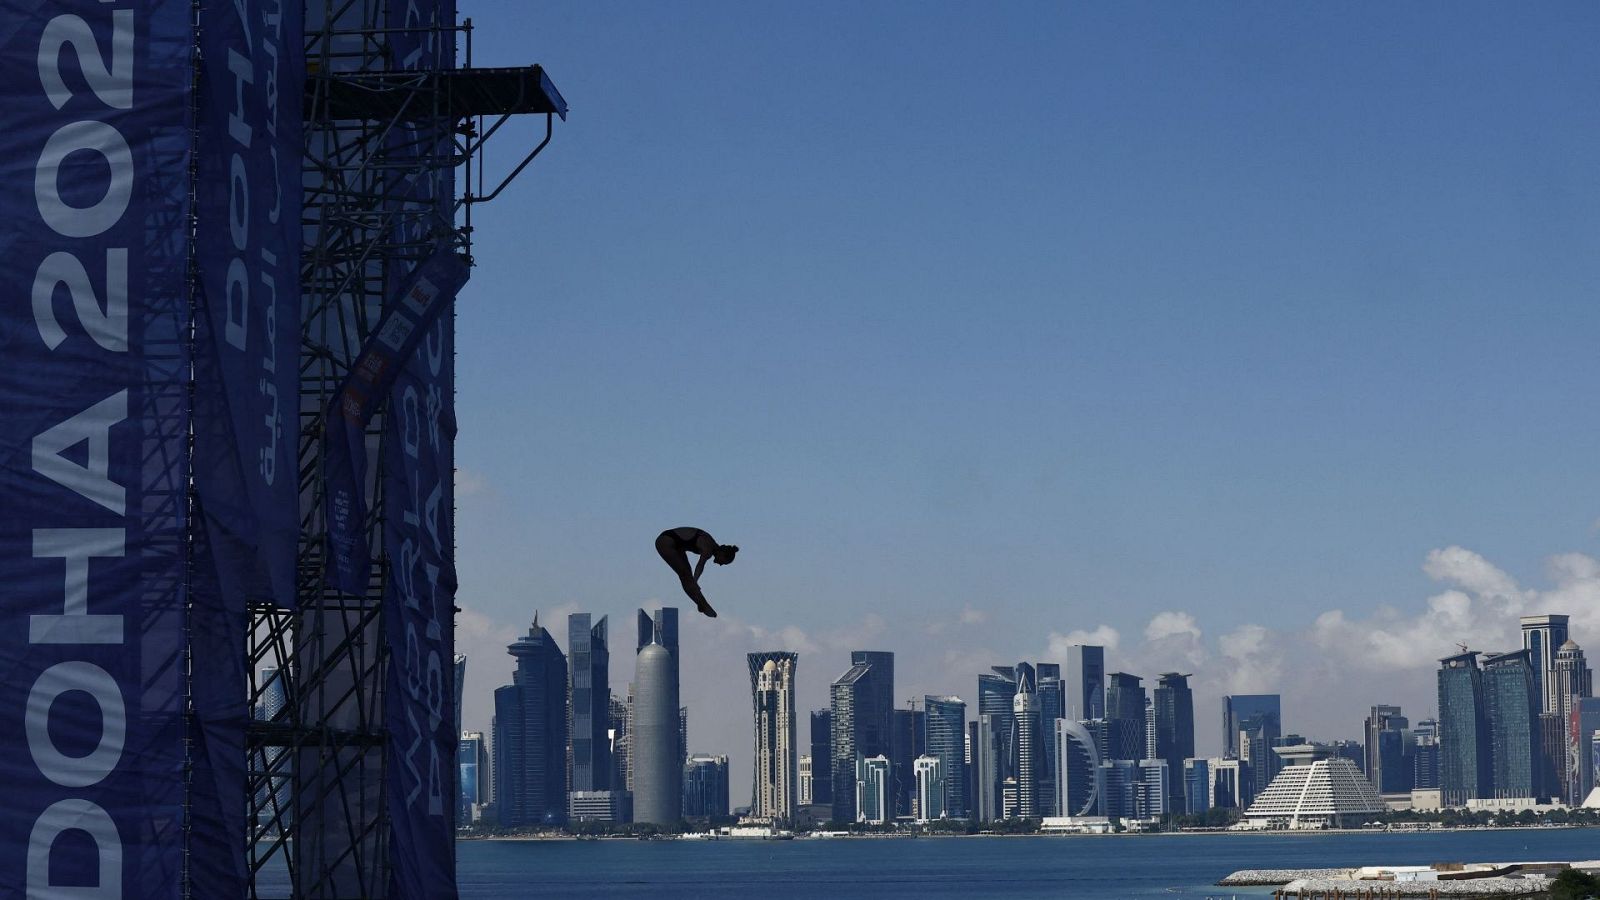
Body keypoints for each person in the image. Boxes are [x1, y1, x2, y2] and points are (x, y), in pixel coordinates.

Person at [655, 527, 737, 618]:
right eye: (723, 562)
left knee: (687, 576)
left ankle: (700, 603)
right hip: (666, 541)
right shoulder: (708, 548)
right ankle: (702, 604)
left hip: (676, 545)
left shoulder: (711, 545)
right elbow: (700, 566)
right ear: (722, 554)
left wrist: (694, 582)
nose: (721, 564)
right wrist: (694, 582)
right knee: (685, 575)